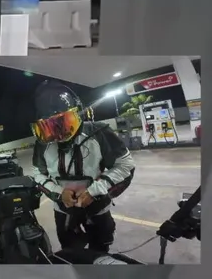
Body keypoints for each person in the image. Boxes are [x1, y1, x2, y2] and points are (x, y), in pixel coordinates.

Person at [28, 81, 136, 254]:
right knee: (70, 252)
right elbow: (37, 173)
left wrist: (94, 191)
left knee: (100, 250)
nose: (58, 135)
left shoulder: (99, 133)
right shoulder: (42, 144)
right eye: (48, 128)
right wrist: (59, 193)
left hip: (98, 210)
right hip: (63, 211)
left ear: (78, 114)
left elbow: (126, 166)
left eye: (63, 122)